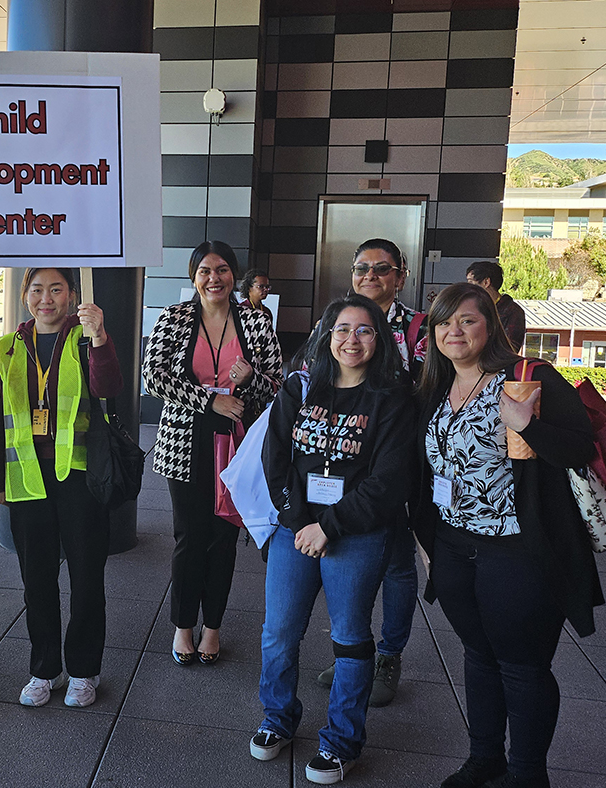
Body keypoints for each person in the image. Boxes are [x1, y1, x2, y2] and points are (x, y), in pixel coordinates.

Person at [414, 283, 602, 788]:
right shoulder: (435, 387)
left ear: (489, 328)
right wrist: (427, 545)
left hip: (518, 549)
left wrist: (528, 425)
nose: (454, 331)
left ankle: (527, 773)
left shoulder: (527, 379)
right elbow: (427, 472)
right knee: (477, 656)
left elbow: (581, 448)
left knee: (522, 666)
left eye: (467, 320)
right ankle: (485, 757)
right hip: (453, 545)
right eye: (444, 322)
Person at [255, 294, 416, 784]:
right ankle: (277, 718)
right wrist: (300, 519)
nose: (352, 339)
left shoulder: (392, 397)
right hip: (296, 528)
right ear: (327, 335)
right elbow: (275, 455)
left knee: (348, 638)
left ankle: (342, 740)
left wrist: (329, 526)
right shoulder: (301, 385)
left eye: (364, 330)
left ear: (379, 339)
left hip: (357, 533)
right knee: (279, 632)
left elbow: (387, 481)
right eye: (342, 329)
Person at [0, 268, 123, 708]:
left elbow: (109, 386)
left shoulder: (85, 339)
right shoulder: (6, 348)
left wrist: (99, 336)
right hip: (27, 478)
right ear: (24, 295)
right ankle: (44, 669)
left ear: (72, 295)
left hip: (79, 478)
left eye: (57, 289)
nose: (47, 298)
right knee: (36, 581)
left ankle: (83, 670)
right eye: (37, 289)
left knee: (86, 578)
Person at [143, 240, 283, 665]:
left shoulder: (256, 322)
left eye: (221, 270)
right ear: (193, 277)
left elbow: (278, 385)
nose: (213, 278)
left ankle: (213, 627)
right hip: (185, 441)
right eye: (204, 270)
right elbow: (153, 376)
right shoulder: (176, 317)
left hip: (238, 444)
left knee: (224, 538)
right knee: (189, 535)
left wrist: (250, 377)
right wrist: (209, 400)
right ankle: (184, 625)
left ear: (233, 276)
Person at [313, 238, 425, 707]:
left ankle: (388, 654)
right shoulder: (333, 321)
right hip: (340, 465)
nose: (371, 276)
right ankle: (351, 650)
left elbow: (426, 388)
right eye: (362, 268)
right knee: (347, 559)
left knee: (397, 562)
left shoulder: (420, 327)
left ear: (401, 275)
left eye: (383, 269)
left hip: (400, 460)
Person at [467, 260, 527, 352]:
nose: (468, 288)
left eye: (471, 282)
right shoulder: (472, 308)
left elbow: (510, 349)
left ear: (486, 282)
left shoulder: (512, 311)